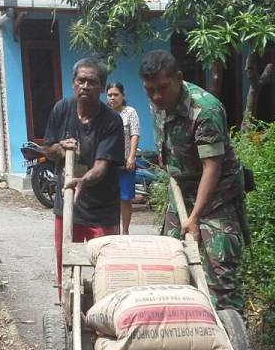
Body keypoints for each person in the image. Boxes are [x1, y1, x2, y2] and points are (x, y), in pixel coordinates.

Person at [139, 50, 247, 312]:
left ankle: (229, 332)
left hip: (216, 199)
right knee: (171, 265)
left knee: (221, 278)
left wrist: (195, 217)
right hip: (181, 193)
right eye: (150, 90)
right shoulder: (157, 103)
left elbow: (212, 168)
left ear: (179, 78)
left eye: (162, 88)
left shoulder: (205, 110)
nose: (156, 96)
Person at [43, 58, 125, 293]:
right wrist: (59, 148)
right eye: (81, 81)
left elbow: (101, 167)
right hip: (68, 204)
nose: (85, 86)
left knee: (106, 268)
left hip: (101, 209)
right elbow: (48, 148)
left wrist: (84, 180)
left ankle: (104, 307)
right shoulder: (61, 109)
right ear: (73, 83)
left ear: (102, 87)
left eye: (92, 82)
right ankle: (67, 306)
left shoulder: (112, 121)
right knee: (66, 263)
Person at [106, 82, 141, 234]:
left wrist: (132, 157)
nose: (112, 98)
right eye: (109, 95)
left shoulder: (130, 112)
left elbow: (135, 134)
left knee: (125, 198)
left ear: (123, 96)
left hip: (126, 163)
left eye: (116, 94)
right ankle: (111, 231)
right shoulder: (104, 113)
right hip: (108, 163)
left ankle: (125, 231)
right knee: (109, 198)